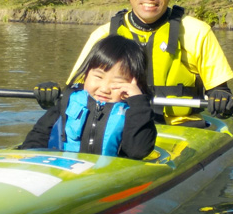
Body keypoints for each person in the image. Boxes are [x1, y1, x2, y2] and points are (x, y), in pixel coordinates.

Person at [67, 0, 233, 127]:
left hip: (179, 128)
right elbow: (74, 90)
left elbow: (219, 90)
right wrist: (50, 96)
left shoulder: (196, 32)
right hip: (116, 126)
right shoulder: (103, 35)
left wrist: (221, 97)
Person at [20, 35, 156, 160]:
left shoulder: (135, 113)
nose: (104, 89)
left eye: (117, 82)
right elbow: (37, 137)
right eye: (98, 77)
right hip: (63, 171)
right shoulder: (67, 102)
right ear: (86, 74)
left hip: (107, 177)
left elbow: (138, 151)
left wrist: (138, 102)